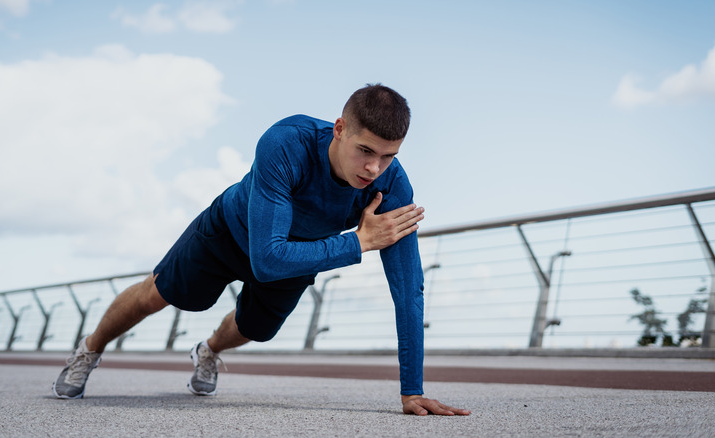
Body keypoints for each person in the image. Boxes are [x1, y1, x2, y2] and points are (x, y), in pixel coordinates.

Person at [52, 83, 470, 416]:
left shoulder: (393, 186)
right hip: (230, 231)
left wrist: (412, 390)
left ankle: (208, 351)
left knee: (256, 329)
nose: (373, 169)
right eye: (365, 151)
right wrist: (359, 242)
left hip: (303, 252)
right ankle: (89, 348)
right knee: (157, 294)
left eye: (387, 156)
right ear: (340, 128)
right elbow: (267, 259)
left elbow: (408, 289)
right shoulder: (286, 142)